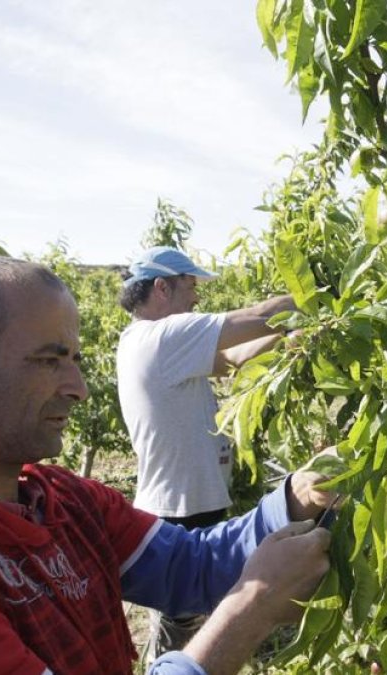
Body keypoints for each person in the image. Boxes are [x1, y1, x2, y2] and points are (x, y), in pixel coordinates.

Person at [0, 255, 332, 675]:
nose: (77, 388)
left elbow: (188, 566)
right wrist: (248, 613)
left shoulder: (60, 502)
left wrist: (299, 495)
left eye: (74, 361)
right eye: (48, 360)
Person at [115, 246, 296, 657]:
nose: (197, 297)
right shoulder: (161, 336)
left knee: (194, 618)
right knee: (181, 624)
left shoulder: (152, 343)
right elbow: (250, 318)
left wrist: (287, 338)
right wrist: (314, 299)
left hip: (187, 500)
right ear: (162, 287)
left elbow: (232, 359)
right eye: (191, 286)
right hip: (178, 508)